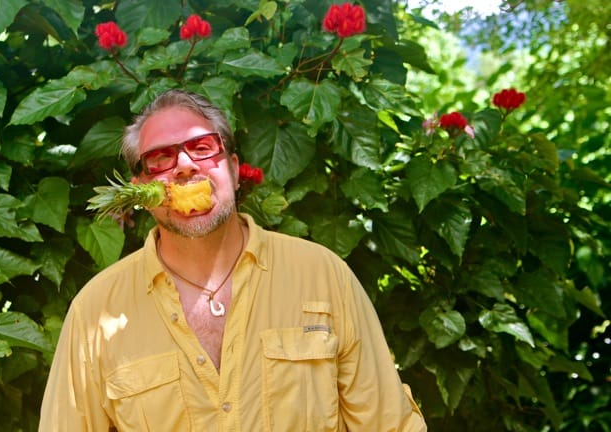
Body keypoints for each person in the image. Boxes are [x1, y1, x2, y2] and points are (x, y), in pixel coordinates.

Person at [39, 89, 427, 431]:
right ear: (140, 191)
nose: (186, 165)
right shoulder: (95, 312)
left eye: (204, 148)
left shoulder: (324, 276)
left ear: (235, 170)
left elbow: (389, 425)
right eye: (160, 159)